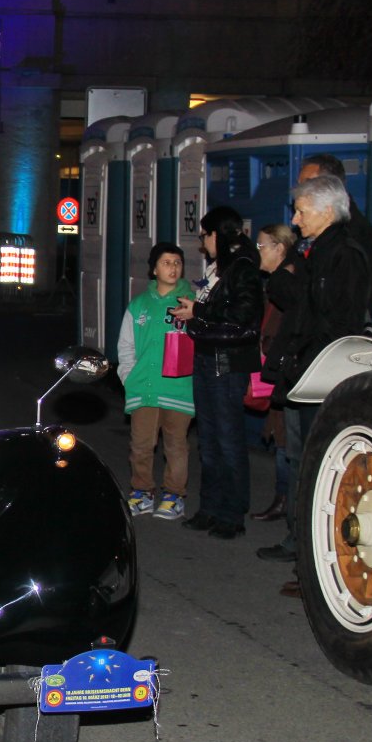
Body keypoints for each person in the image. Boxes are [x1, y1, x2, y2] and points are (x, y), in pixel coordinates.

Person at [258, 174, 372, 571]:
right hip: (305, 371)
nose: (295, 220)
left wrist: (312, 357)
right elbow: (300, 303)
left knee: (319, 463)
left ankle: (316, 555)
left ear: (327, 211)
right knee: (302, 460)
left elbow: (334, 319)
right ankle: (299, 541)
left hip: (322, 374)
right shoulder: (316, 251)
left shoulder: (345, 254)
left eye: (301, 211)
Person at [171, 212, 264, 540]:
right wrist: (194, 310)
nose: (202, 243)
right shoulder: (219, 267)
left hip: (226, 360)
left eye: (204, 236)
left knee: (227, 438)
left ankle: (232, 513)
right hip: (206, 355)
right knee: (208, 439)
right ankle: (210, 507)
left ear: (217, 235)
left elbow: (244, 313)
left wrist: (199, 310)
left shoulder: (243, 267)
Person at [116, 242, 196, 521]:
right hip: (144, 388)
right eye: (166, 263)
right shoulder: (139, 305)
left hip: (179, 388)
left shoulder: (192, 303)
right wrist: (128, 377)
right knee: (141, 445)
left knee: (176, 445)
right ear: (154, 269)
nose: (173, 268)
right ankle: (142, 492)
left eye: (177, 263)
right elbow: (126, 345)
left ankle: (174, 495)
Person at [250, 223, 298, 523]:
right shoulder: (274, 283)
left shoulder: (286, 283)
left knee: (285, 440)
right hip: (278, 370)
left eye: (261, 246)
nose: (258, 252)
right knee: (281, 436)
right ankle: (283, 499)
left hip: (287, 372)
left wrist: (266, 347)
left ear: (279, 248)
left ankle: (286, 500)